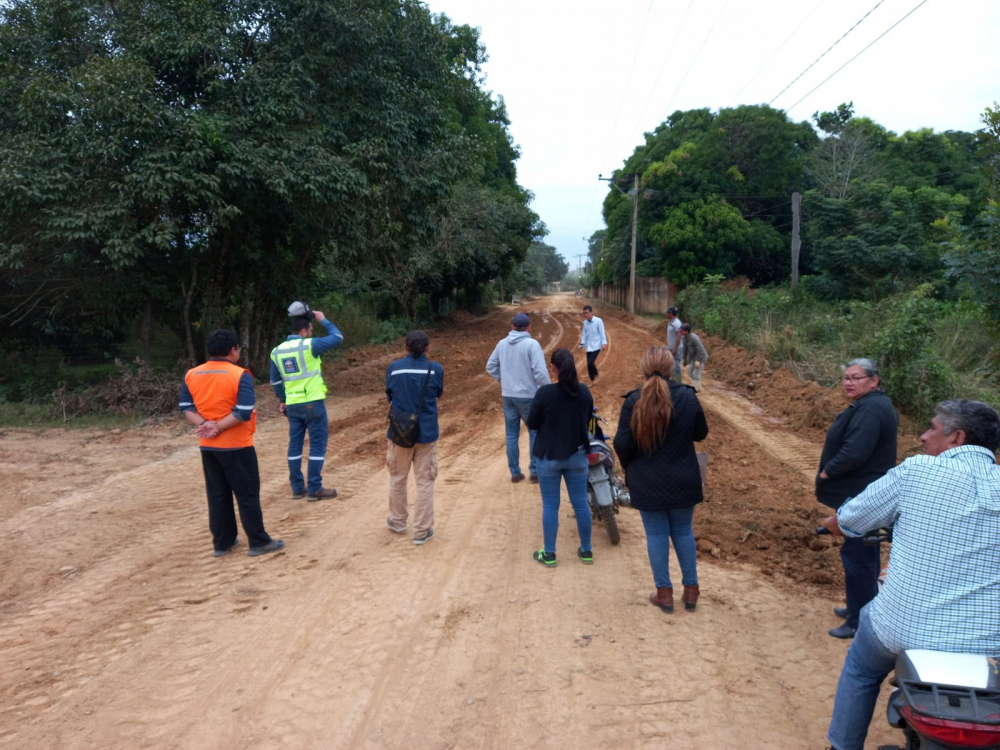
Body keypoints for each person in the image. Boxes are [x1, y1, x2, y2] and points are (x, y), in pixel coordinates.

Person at [823, 399, 1000, 750]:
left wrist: (833, 523)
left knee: (861, 667)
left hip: (905, 628)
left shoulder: (917, 471)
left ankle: (842, 746)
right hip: (989, 642)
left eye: (932, 428)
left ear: (956, 438)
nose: (922, 437)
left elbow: (853, 518)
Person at [613, 346, 708, 613]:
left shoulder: (633, 401)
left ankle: (664, 593)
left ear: (643, 369)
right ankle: (691, 590)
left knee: (656, 534)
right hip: (684, 478)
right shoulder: (688, 397)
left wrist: (629, 465)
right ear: (672, 368)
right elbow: (701, 433)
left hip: (647, 480)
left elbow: (621, 442)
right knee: (683, 531)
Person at [179, 329, 285, 558]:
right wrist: (217, 426)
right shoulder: (239, 375)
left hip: (208, 446)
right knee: (247, 494)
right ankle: (258, 541)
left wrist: (206, 424)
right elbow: (244, 411)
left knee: (217, 494)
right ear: (233, 350)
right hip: (237, 445)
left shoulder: (192, 374)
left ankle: (222, 542)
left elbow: (186, 407)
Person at [816, 357, 898, 639]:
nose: (849, 383)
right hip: (865, 491)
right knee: (863, 553)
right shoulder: (873, 405)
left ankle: (858, 622)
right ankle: (860, 608)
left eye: (856, 378)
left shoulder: (871, 410)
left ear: (873, 381)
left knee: (858, 557)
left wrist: (828, 471)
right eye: (846, 378)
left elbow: (855, 452)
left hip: (861, 493)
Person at [526, 348, 594, 566]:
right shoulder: (584, 392)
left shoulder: (544, 393)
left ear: (553, 369)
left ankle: (550, 554)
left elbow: (532, 423)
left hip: (549, 457)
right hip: (577, 456)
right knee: (581, 503)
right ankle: (586, 551)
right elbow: (588, 417)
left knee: (550, 505)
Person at [269, 301, 344, 501]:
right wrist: (323, 319)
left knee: (295, 445)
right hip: (313, 403)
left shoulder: (276, 351)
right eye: (310, 330)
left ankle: (297, 488)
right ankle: (315, 488)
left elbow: (275, 381)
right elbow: (337, 337)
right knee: (317, 445)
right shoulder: (310, 345)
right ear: (303, 331)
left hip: (292, 405)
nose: (311, 333)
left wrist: (282, 400)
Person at [385, 331, 444, 545]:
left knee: (398, 477)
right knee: (425, 482)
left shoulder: (393, 368)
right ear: (427, 348)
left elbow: (389, 395)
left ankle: (398, 521)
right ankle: (421, 531)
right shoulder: (435, 369)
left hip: (400, 432)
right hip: (426, 434)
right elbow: (438, 393)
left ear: (405, 347)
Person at [486, 312, 550, 484]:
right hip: (529, 396)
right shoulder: (532, 344)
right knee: (535, 432)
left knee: (511, 435)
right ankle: (534, 471)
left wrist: (503, 379)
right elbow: (540, 372)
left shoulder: (502, 344)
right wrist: (547, 390)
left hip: (508, 395)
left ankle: (515, 473)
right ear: (529, 328)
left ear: (512, 327)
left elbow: (490, 366)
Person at [678, 323, 708, 392]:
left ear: (686, 331)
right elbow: (685, 349)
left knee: (695, 374)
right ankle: (698, 387)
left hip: (701, 357)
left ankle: (695, 389)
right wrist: (685, 360)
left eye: (682, 330)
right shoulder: (684, 338)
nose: (681, 331)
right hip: (693, 357)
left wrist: (698, 360)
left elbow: (700, 349)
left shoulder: (694, 338)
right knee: (690, 372)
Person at [665, 306, 683, 381]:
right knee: (671, 364)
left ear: (670, 313)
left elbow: (679, 337)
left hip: (676, 348)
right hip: (671, 347)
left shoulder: (677, 323)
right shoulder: (671, 322)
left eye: (667, 313)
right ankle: (673, 379)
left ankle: (678, 381)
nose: (666, 314)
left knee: (676, 365)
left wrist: (675, 349)